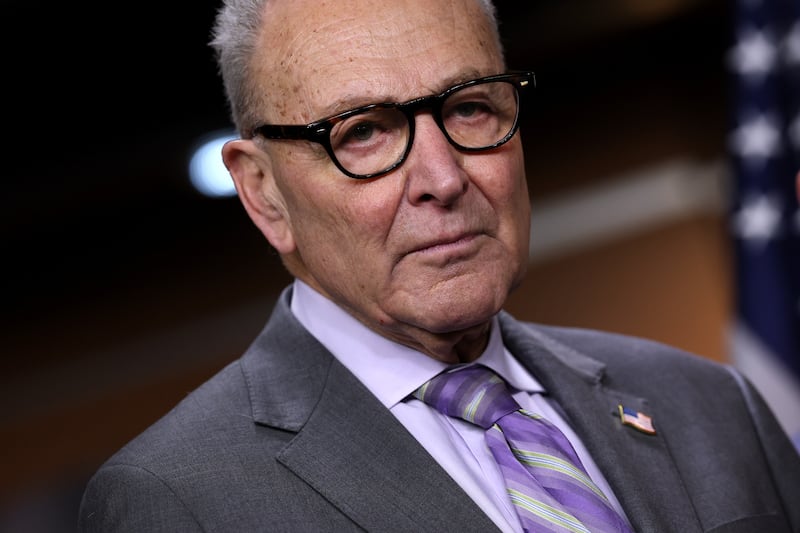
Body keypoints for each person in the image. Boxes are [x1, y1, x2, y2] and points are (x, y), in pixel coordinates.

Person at [77, 0, 800, 531]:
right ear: (263, 192)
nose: (443, 177)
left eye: (470, 108)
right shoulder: (177, 499)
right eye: (361, 132)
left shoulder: (709, 403)